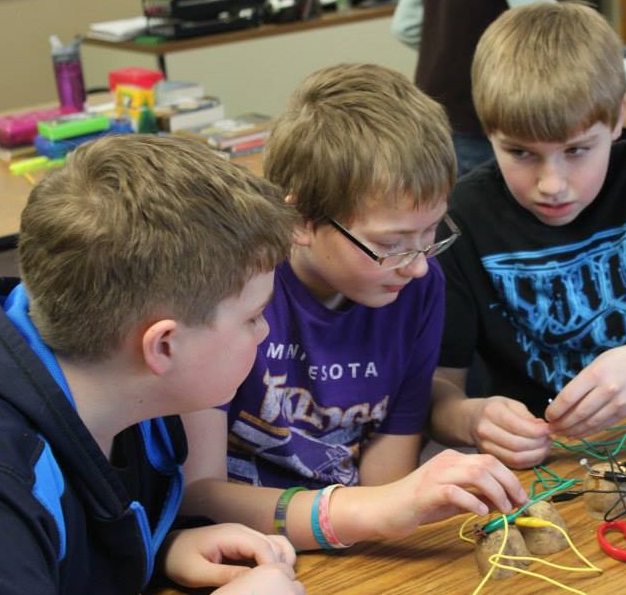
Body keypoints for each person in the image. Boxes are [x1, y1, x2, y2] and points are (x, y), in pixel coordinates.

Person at [180, 63, 528, 552]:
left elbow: (387, 477)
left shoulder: (417, 291)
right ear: (299, 219)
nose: (418, 266)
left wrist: (387, 509)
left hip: (353, 539)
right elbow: (197, 495)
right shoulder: (231, 293)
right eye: (391, 244)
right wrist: (367, 513)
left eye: (431, 233)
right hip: (242, 549)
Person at [0, 134, 314, 595]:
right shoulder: (4, 480)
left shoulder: (111, 383)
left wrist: (158, 549)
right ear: (163, 346)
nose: (265, 330)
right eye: (253, 316)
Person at [430, 1, 626, 469]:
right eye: (520, 153)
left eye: (577, 150)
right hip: (548, 464)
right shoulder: (461, 217)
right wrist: (471, 418)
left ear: (616, 119)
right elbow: (439, 388)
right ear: (488, 133)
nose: (552, 184)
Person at [391, 0, 626, 177]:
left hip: (435, 107)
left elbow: (406, 26)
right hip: (490, 114)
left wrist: (456, 51)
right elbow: (553, 39)